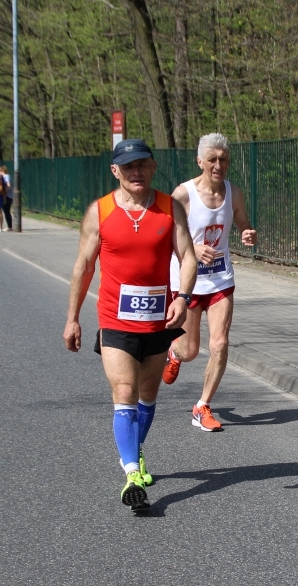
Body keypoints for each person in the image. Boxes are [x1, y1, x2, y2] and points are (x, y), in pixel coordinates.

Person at [63, 139, 198, 511]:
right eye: (127, 166)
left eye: (141, 164)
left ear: (153, 167)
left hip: (158, 320)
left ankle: (134, 451)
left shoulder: (170, 208)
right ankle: (132, 475)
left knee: (147, 395)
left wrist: (183, 298)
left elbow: (188, 257)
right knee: (124, 389)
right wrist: (72, 318)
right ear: (115, 171)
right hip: (115, 319)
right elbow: (83, 267)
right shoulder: (100, 211)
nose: (135, 172)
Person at [160, 133, 257, 432]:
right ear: (200, 161)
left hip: (220, 280)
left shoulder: (233, 193)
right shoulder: (183, 194)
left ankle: (202, 406)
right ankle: (174, 353)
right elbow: (163, 233)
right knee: (190, 351)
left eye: (223, 159)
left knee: (220, 344)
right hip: (188, 284)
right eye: (212, 159)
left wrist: (247, 232)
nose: (218, 165)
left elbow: (242, 221)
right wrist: (192, 247)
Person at [0, 165, 13, 229]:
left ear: (2, 171)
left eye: (0, 171)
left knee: (6, 211)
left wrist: (5, 192)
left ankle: (9, 226)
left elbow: (8, 185)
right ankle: (9, 226)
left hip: (7, 196)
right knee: (7, 211)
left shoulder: (5, 176)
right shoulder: (9, 176)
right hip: (10, 196)